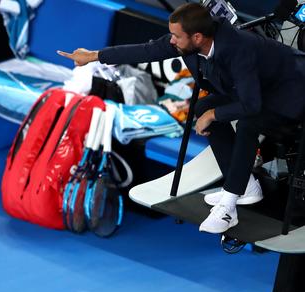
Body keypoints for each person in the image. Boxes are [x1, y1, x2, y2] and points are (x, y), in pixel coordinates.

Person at [58, 2, 305, 234]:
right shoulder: (190, 42)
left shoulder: (239, 48)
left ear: (197, 37)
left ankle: (229, 206)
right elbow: (145, 50)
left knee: (247, 123)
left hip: (292, 93)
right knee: (202, 105)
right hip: (260, 90)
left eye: (176, 36)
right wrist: (93, 56)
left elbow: (251, 105)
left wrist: (213, 114)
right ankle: (246, 186)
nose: (171, 41)